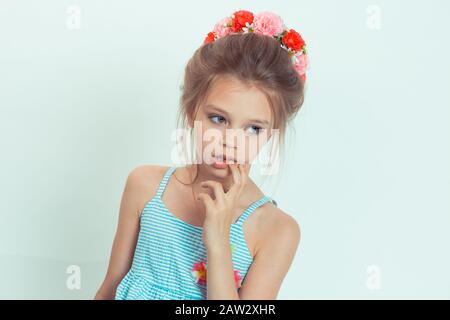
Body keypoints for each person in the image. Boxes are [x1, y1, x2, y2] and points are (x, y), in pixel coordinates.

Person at [95, 9, 309, 300]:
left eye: (253, 129)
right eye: (219, 119)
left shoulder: (276, 230)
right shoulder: (145, 186)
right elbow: (110, 288)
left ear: (271, 132)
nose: (230, 142)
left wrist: (218, 241)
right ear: (192, 111)